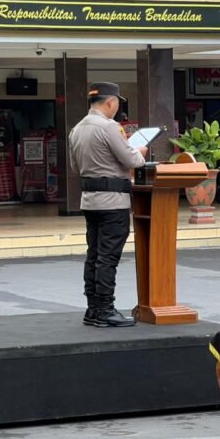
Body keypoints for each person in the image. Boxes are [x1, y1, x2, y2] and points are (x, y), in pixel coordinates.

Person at [69, 81, 147, 328]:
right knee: (108, 258)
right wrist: (141, 150)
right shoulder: (109, 127)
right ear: (110, 102)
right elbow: (132, 159)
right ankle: (105, 309)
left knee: (94, 255)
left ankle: (93, 309)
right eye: (117, 104)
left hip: (90, 201)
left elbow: (74, 167)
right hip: (113, 202)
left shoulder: (77, 129)